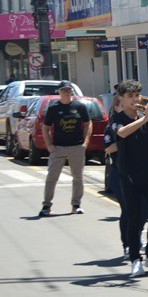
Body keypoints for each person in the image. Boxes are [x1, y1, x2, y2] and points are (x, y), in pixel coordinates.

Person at [112, 80, 148, 277]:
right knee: (134, 218)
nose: (135, 100)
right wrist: (145, 119)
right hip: (128, 176)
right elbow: (122, 133)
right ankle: (136, 259)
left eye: (137, 95)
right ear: (121, 98)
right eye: (130, 96)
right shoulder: (117, 118)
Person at [39, 81, 92, 217]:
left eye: (68, 90)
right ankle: (46, 205)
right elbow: (45, 128)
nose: (66, 93)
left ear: (71, 92)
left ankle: (76, 204)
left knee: (78, 177)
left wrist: (85, 141)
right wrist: (49, 144)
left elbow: (88, 123)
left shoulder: (79, 106)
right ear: (59, 92)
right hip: (58, 147)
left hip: (77, 146)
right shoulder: (54, 108)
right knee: (52, 177)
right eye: (63, 90)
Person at [103, 95, 147, 257]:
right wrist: (126, 139)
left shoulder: (140, 122)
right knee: (129, 210)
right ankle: (127, 244)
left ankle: (137, 234)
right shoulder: (112, 126)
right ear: (116, 108)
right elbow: (109, 148)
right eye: (122, 106)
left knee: (145, 210)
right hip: (119, 172)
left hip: (140, 172)